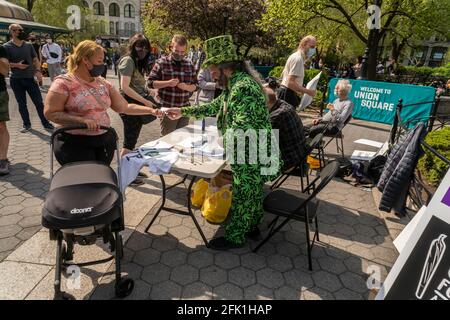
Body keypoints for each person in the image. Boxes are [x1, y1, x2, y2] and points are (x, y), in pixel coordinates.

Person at [165, 35, 281, 250]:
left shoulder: (243, 87)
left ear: (224, 67)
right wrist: (182, 110)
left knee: (246, 192)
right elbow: (212, 107)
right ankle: (252, 226)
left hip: (252, 149)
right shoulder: (234, 85)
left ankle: (236, 237)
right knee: (252, 191)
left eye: (214, 70)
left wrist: (218, 143)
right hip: (251, 147)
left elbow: (242, 126)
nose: (212, 75)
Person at [43, 40, 162, 166]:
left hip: (103, 141)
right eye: (99, 61)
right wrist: (80, 121)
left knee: (102, 176)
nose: (103, 64)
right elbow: (51, 113)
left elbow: (124, 106)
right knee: (87, 180)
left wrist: (152, 110)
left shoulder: (103, 83)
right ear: (85, 60)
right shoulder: (63, 83)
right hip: (74, 143)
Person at [118, 34, 159, 179]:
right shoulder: (128, 60)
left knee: (132, 140)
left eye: (145, 47)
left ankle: (129, 170)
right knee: (129, 142)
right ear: (132, 45)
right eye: (139, 46)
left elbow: (137, 84)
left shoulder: (136, 61)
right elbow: (125, 87)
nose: (143, 50)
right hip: (129, 105)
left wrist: (149, 91)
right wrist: (146, 101)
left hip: (135, 104)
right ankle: (123, 174)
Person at [4, 24, 54, 133]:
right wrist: (17, 65)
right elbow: (5, 63)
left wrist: (38, 71)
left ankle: (46, 123)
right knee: (22, 104)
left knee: (39, 102)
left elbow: (35, 59)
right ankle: (27, 125)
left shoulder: (28, 45)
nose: (22, 32)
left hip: (30, 78)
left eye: (22, 30)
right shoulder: (6, 47)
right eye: (19, 30)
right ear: (12, 32)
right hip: (16, 80)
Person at [148, 34, 198, 136]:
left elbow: (196, 86)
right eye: (176, 51)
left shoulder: (189, 64)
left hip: (184, 110)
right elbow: (150, 83)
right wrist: (168, 83)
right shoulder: (161, 63)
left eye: (182, 52)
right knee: (168, 140)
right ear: (171, 47)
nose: (179, 54)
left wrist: (186, 87)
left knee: (182, 140)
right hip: (168, 109)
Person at [264, 84, 307, 172]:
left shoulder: (277, 116)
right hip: (298, 155)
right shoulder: (283, 104)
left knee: (245, 153)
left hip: (288, 162)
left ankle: (246, 183)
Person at [278, 35, 317, 109]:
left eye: (314, 47)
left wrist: (301, 90)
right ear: (303, 44)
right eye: (311, 46)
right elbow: (290, 83)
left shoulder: (296, 56)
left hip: (286, 93)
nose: (313, 50)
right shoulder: (298, 59)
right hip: (287, 95)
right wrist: (308, 91)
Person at [0, 43, 10, 175]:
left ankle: (2, 159)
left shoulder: (1, 49)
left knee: (1, 126)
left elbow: (5, 71)